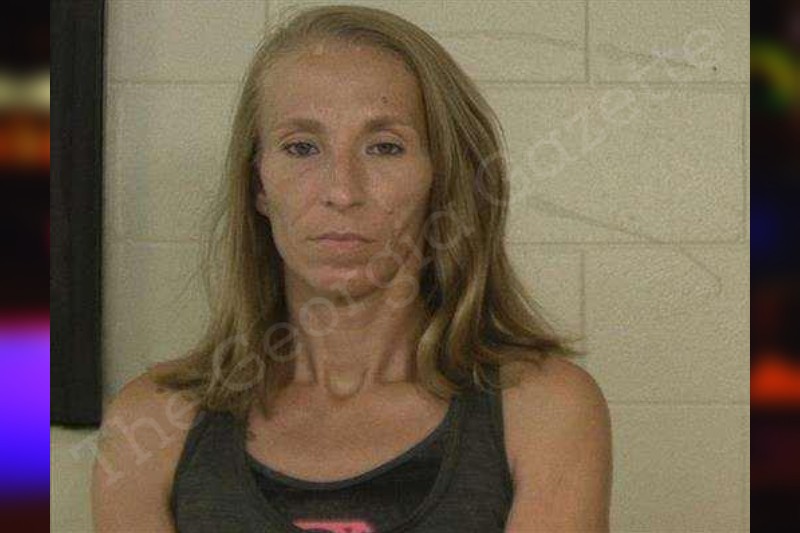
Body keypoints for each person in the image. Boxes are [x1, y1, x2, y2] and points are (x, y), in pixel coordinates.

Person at [91, 5, 612, 533]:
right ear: (258, 184)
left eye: (385, 147)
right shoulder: (149, 426)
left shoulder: (544, 410)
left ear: (443, 178)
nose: (342, 191)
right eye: (301, 147)